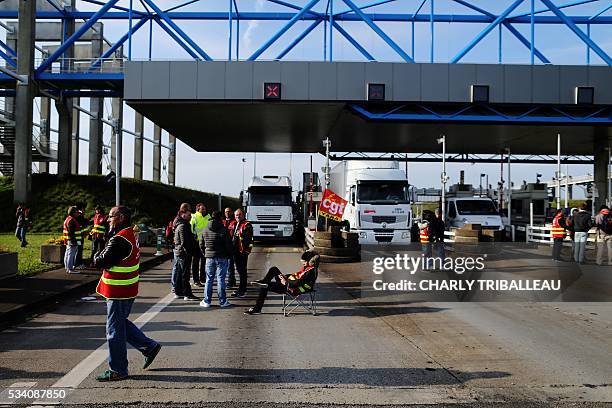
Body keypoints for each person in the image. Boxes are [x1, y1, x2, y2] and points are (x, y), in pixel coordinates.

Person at [93, 206, 161, 382]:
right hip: (127, 289)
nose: (107, 219)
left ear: (121, 217)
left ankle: (117, 369)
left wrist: (96, 254)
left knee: (114, 329)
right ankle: (149, 347)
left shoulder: (119, 239)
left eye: (110, 217)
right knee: (120, 323)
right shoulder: (130, 234)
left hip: (118, 291)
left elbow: (100, 261)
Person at [245, 250, 320, 315]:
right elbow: (296, 275)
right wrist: (285, 277)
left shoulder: (310, 272)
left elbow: (299, 283)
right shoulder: (308, 268)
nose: (302, 263)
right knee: (274, 269)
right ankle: (263, 282)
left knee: (265, 286)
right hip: (288, 283)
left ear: (310, 261)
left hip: (292, 288)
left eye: (304, 262)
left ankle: (257, 308)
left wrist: (286, 282)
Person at [200, 211, 233, 308]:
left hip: (209, 257)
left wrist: (205, 254)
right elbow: (229, 245)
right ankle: (222, 301)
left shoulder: (205, 229)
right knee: (221, 279)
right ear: (220, 218)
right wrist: (229, 255)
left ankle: (207, 301)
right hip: (222, 257)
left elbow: (201, 244)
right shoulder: (224, 230)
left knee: (209, 279)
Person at [172, 203, 199, 301]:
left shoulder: (179, 224)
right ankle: (187, 293)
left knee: (179, 273)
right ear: (183, 213)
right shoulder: (183, 226)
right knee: (185, 274)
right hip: (184, 253)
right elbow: (185, 242)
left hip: (179, 252)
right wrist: (190, 252)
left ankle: (178, 292)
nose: (190, 216)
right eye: (189, 214)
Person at [229, 209, 253, 298]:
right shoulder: (234, 223)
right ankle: (240, 289)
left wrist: (246, 251)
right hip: (235, 251)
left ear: (243, 215)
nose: (237, 216)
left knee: (242, 271)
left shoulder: (247, 225)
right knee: (239, 271)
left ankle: (242, 290)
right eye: (236, 215)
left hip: (242, 252)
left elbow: (247, 240)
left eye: (239, 215)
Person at [190, 203, 211, 287]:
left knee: (204, 261)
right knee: (195, 262)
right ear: (198, 209)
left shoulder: (208, 217)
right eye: (202, 209)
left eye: (205, 209)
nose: (204, 210)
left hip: (206, 243)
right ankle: (196, 280)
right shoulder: (194, 217)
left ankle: (203, 278)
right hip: (196, 243)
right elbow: (191, 230)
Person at [63, 206, 82, 274]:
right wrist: (74, 241)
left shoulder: (68, 219)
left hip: (69, 240)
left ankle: (67, 267)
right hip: (73, 240)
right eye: (77, 212)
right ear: (73, 213)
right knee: (71, 254)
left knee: (68, 253)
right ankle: (70, 269)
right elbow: (71, 232)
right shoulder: (71, 220)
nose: (78, 213)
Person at [222, 207, 236, 287]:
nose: (227, 213)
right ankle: (231, 280)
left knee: (231, 265)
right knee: (225, 265)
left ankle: (231, 281)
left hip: (231, 246)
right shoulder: (222, 222)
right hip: (223, 247)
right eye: (226, 212)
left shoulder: (234, 222)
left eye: (229, 211)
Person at [74, 204, 89, 269]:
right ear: (82, 208)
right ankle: (77, 264)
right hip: (79, 236)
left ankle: (76, 263)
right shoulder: (79, 215)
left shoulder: (76, 215)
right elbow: (83, 223)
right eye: (84, 209)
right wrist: (88, 220)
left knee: (77, 250)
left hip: (78, 236)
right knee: (79, 250)